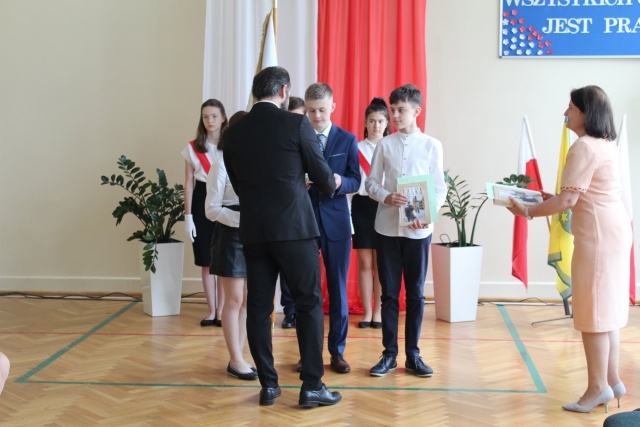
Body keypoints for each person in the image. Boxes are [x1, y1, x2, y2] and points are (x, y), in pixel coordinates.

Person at [508, 85, 632, 414]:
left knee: (593, 313)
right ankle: (612, 380)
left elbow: (568, 201)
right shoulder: (606, 144)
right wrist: (548, 200)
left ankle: (597, 388)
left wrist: (527, 210)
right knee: (607, 312)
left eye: (571, 108)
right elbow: (580, 195)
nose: (565, 113)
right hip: (613, 229)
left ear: (586, 113)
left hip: (597, 236)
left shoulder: (584, 146)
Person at [223, 66, 342, 408]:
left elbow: (236, 180)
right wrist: (331, 182)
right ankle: (312, 386)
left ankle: (269, 386)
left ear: (255, 91)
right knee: (308, 303)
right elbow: (321, 176)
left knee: (259, 308)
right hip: (295, 230)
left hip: (254, 231)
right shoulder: (296, 123)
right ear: (284, 91)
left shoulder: (233, 131)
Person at [365, 84, 446, 378]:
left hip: (418, 232)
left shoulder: (432, 145)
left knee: (415, 294)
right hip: (387, 229)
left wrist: (428, 215)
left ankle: (413, 355)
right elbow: (371, 183)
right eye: (393, 110)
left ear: (416, 111)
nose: (395, 115)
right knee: (389, 294)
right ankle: (388, 354)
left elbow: (439, 189)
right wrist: (387, 196)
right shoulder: (384, 145)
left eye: (401, 110)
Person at [304, 82, 361, 374]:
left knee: (338, 290)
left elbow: (356, 180)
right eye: (311, 110)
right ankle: (308, 354)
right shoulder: (298, 137)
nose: (317, 116)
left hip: (337, 224)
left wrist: (340, 182)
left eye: (322, 110)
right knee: (307, 292)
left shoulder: (347, 139)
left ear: (333, 107)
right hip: (304, 223)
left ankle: (337, 352)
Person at [205, 110, 257, 381]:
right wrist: (241, 220)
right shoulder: (220, 164)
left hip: (253, 235)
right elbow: (211, 209)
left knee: (248, 299)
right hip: (230, 234)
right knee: (234, 299)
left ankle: (238, 357)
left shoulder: (256, 161)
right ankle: (235, 359)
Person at [181, 99, 226, 327]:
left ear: (223, 118)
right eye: (206, 116)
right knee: (206, 260)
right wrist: (188, 216)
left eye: (214, 116)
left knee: (224, 259)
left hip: (225, 200)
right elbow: (189, 183)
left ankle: (223, 311)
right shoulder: (192, 148)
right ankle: (211, 311)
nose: (210, 121)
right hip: (201, 199)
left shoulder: (231, 144)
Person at [351, 97, 391, 329]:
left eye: (380, 121)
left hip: (385, 205)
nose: (376, 125)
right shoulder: (355, 149)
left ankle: (378, 311)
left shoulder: (392, 147)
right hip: (362, 207)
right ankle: (367, 312)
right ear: (365, 123)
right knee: (365, 263)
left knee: (381, 263)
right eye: (372, 121)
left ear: (387, 123)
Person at [280, 96, 307, 330]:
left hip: (312, 212)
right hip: (287, 213)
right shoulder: (279, 143)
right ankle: (289, 310)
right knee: (286, 268)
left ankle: (305, 310)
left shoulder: (308, 138)